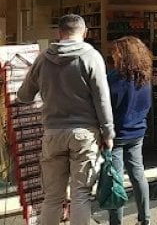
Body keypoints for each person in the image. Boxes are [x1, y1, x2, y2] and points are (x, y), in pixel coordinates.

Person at [17, 14, 114, 225]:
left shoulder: (43, 59)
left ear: (59, 33)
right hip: (84, 133)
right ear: (85, 32)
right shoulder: (91, 56)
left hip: (52, 132)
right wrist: (108, 133)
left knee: (52, 197)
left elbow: (24, 95)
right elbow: (102, 99)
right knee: (81, 194)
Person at [107, 36, 153, 225]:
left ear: (123, 55)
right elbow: (146, 105)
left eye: (115, 53)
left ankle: (116, 222)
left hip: (116, 135)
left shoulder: (114, 78)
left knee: (115, 181)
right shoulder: (144, 77)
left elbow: (107, 106)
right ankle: (145, 218)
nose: (113, 56)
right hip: (137, 132)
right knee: (138, 175)